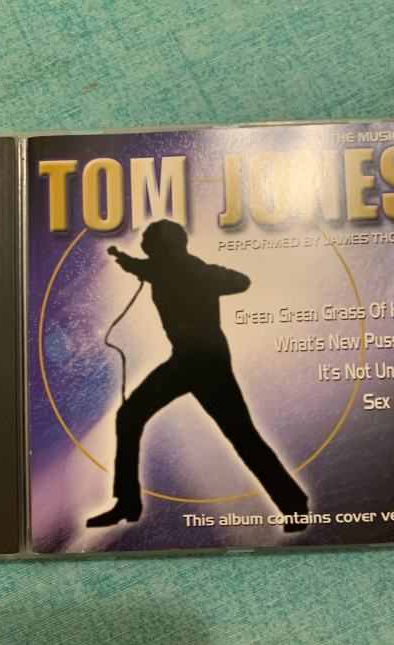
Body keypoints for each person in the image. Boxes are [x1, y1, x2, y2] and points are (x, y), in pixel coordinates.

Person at [87, 219, 308, 531]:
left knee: (240, 435)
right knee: (135, 417)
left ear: (164, 245)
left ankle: (295, 507)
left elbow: (241, 281)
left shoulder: (184, 269)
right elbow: (142, 267)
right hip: (189, 360)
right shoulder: (164, 269)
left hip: (206, 363)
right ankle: (127, 503)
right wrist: (122, 258)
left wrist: (207, 275)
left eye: (149, 239)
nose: (145, 244)